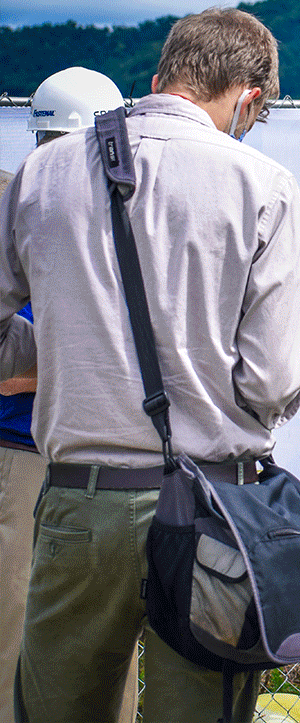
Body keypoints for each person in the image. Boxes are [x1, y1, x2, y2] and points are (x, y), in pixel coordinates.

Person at [0, 7, 300, 723]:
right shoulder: (262, 184)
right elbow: (273, 377)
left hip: (78, 499)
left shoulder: (42, 173)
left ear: (160, 77)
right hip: (211, 503)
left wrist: (60, 361)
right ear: (248, 98)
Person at [1, 67, 129, 723]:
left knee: (104, 647)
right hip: (29, 452)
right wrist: (79, 364)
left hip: (99, 464)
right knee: (17, 639)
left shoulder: (120, 212)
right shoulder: (20, 203)